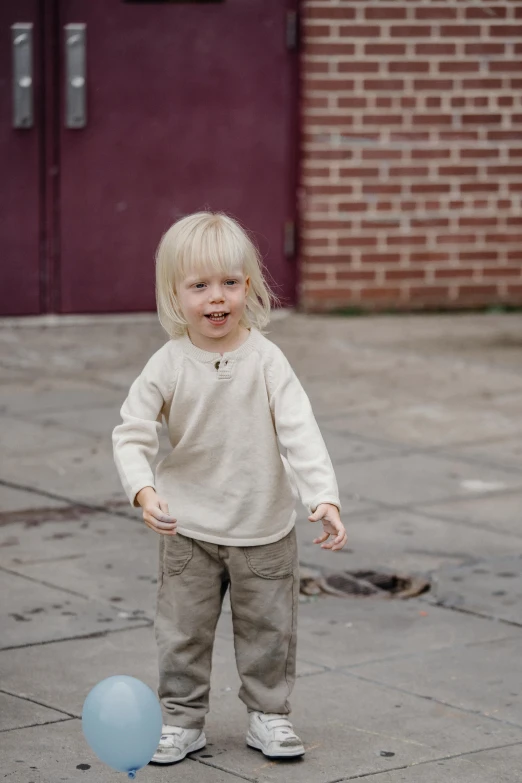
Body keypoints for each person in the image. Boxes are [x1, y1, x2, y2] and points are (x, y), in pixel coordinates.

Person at [112, 211, 346, 765]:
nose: (217, 299)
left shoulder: (266, 359)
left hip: (262, 530)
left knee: (269, 631)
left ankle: (269, 716)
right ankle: (181, 720)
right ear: (174, 294)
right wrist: (144, 491)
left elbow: (299, 430)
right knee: (182, 634)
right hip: (187, 528)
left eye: (230, 283)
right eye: (199, 286)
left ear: (249, 285)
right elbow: (133, 431)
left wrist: (324, 496)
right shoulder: (168, 364)